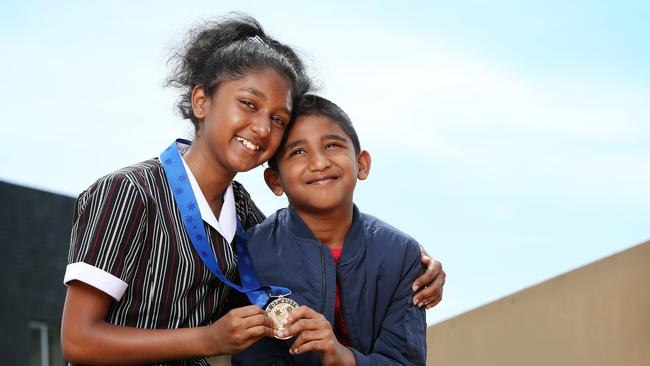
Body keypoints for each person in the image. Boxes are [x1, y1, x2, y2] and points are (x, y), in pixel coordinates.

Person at [61, 13, 443, 366]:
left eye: (277, 118)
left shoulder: (242, 212)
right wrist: (210, 339)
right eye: (248, 103)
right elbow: (77, 340)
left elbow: (302, 241)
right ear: (201, 101)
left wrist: (413, 258)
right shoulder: (129, 192)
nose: (262, 128)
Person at [233, 95, 428, 365]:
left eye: (332, 145)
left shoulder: (400, 254)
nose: (320, 163)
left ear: (361, 164)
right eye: (298, 152)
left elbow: (405, 360)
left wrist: (342, 357)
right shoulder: (251, 254)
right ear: (275, 180)